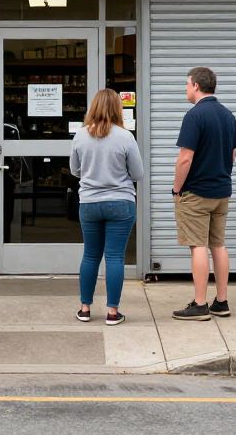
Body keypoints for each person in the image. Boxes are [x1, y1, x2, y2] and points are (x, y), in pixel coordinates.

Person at [70, 89, 144, 326]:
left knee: (90, 255)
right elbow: (137, 173)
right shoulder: (125, 136)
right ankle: (112, 312)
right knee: (114, 256)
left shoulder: (81, 135)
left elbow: (74, 170)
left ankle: (84, 309)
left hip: (90, 203)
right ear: (117, 109)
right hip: (121, 203)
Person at [171, 67, 236, 321]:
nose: (186, 88)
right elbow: (232, 154)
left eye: (187, 84)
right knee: (218, 245)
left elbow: (185, 158)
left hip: (197, 191)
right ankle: (221, 301)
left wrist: (177, 188)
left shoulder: (194, 116)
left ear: (197, 86)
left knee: (198, 245)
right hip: (221, 190)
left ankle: (199, 304)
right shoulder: (228, 115)